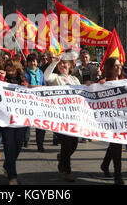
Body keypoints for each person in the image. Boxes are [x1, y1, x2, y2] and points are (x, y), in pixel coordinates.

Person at [44, 52, 81, 182]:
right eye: (60, 64)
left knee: (73, 145)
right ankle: (67, 171)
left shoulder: (74, 79)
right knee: (66, 144)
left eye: (64, 63)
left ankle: (62, 159)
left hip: (74, 117)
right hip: (60, 117)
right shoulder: (56, 78)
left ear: (69, 65)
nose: (62, 65)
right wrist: (54, 62)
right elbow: (46, 76)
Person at [98, 57, 127, 185]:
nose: (119, 67)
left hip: (122, 118)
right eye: (115, 66)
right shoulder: (103, 83)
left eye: (119, 65)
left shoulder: (124, 82)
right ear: (109, 68)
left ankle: (105, 164)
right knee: (117, 144)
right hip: (109, 119)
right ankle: (118, 175)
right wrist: (93, 85)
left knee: (115, 143)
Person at [0, 58, 29, 185]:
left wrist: (26, 88)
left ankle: (7, 165)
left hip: (21, 120)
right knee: (9, 147)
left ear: (17, 67)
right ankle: (12, 176)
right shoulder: (1, 79)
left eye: (11, 66)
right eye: (7, 66)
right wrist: (1, 78)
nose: (8, 68)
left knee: (18, 145)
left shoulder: (23, 81)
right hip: (6, 120)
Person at [23, 53, 47, 152]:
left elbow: (44, 85)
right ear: (27, 63)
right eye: (31, 61)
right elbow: (25, 86)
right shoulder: (24, 73)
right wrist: (36, 87)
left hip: (40, 100)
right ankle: (26, 140)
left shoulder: (40, 72)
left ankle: (40, 144)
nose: (33, 63)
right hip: (28, 100)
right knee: (27, 121)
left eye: (34, 61)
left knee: (41, 123)